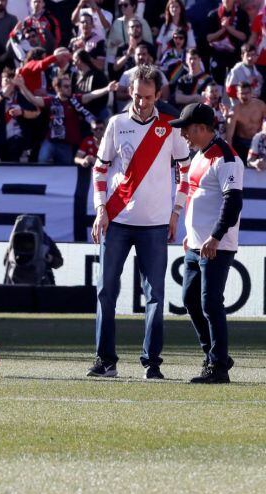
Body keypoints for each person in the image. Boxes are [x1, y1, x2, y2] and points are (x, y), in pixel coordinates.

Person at [90, 65, 190, 380]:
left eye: (147, 97)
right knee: (106, 291)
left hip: (157, 223)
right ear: (129, 92)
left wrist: (176, 213)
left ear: (158, 95)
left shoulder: (171, 127)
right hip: (117, 220)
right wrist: (101, 208)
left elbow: (185, 173)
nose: (141, 102)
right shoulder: (117, 124)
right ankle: (106, 361)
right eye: (136, 96)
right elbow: (100, 169)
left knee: (156, 295)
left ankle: (152, 363)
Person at [170, 102, 243, 384]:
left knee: (210, 303)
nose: (183, 135)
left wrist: (215, 236)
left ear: (201, 128)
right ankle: (216, 355)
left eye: (186, 130)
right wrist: (192, 232)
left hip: (215, 245)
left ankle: (218, 367)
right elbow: (198, 197)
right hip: (197, 243)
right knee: (191, 300)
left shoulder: (226, 157)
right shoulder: (201, 155)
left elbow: (232, 202)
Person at [224, 81, 266, 162]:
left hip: (258, 141)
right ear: (237, 94)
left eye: (247, 93)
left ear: (251, 93)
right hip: (242, 143)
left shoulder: (261, 105)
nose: (244, 96)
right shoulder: (234, 111)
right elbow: (229, 136)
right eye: (241, 93)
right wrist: (229, 156)